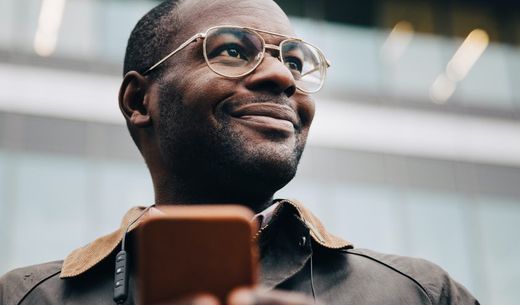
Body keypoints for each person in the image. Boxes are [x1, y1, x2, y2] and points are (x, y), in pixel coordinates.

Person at [0, 0, 479, 304]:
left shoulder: (420, 293)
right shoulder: (25, 297)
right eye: (231, 50)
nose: (283, 77)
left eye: (294, 61)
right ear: (138, 100)